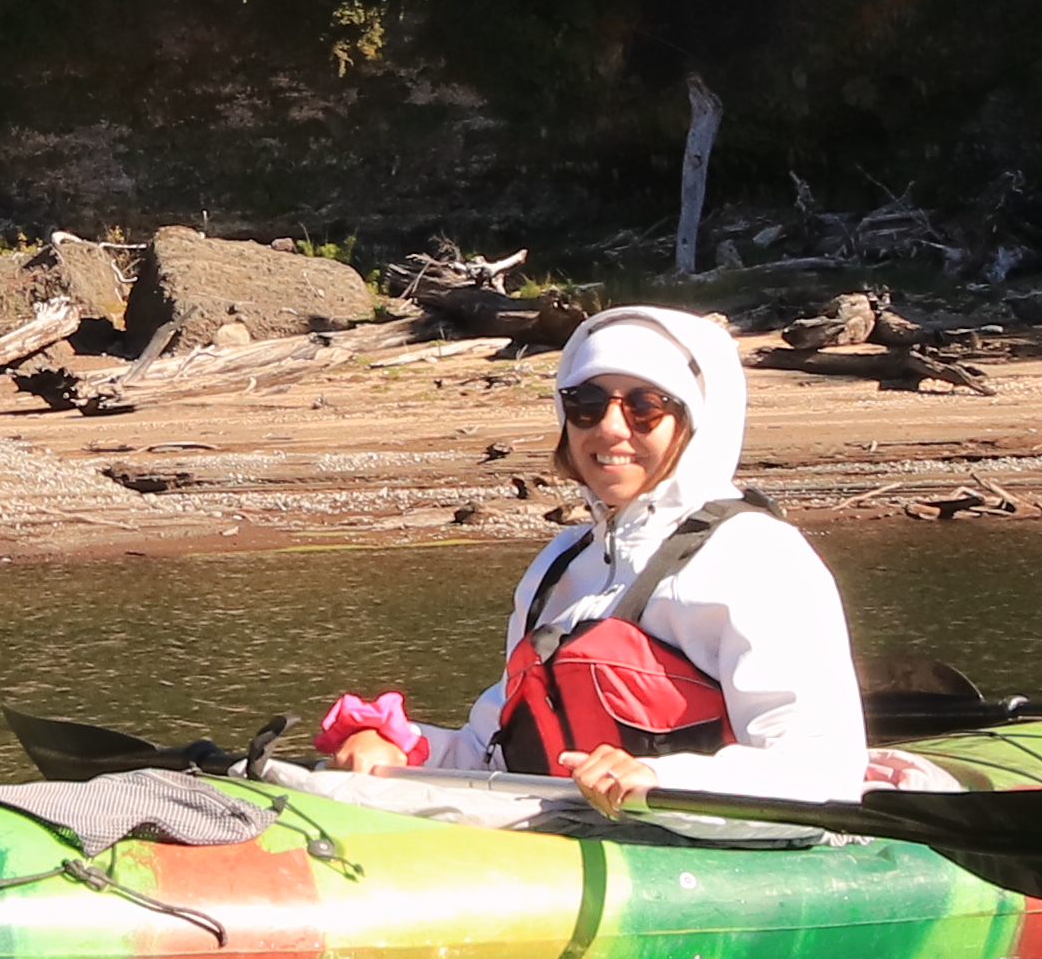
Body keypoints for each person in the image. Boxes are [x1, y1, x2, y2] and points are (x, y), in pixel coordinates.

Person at [314, 306, 875, 811]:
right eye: (586, 403)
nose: (609, 428)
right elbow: (490, 756)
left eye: (645, 406)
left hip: (712, 856)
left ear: (694, 421)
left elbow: (820, 771)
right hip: (568, 840)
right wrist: (400, 748)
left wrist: (657, 778)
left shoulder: (758, 559)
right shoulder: (559, 566)